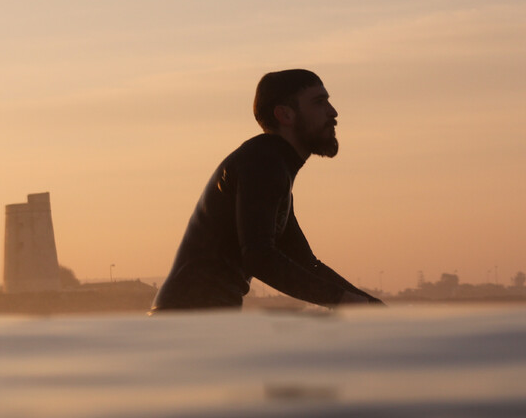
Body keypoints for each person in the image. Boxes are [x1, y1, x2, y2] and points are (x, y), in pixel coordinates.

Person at [151, 69, 384, 312]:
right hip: (190, 320)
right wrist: (344, 301)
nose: (333, 112)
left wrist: (372, 306)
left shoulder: (273, 165)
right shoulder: (263, 163)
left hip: (198, 318)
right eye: (319, 102)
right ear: (285, 115)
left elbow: (305, 263)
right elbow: (259, 257)